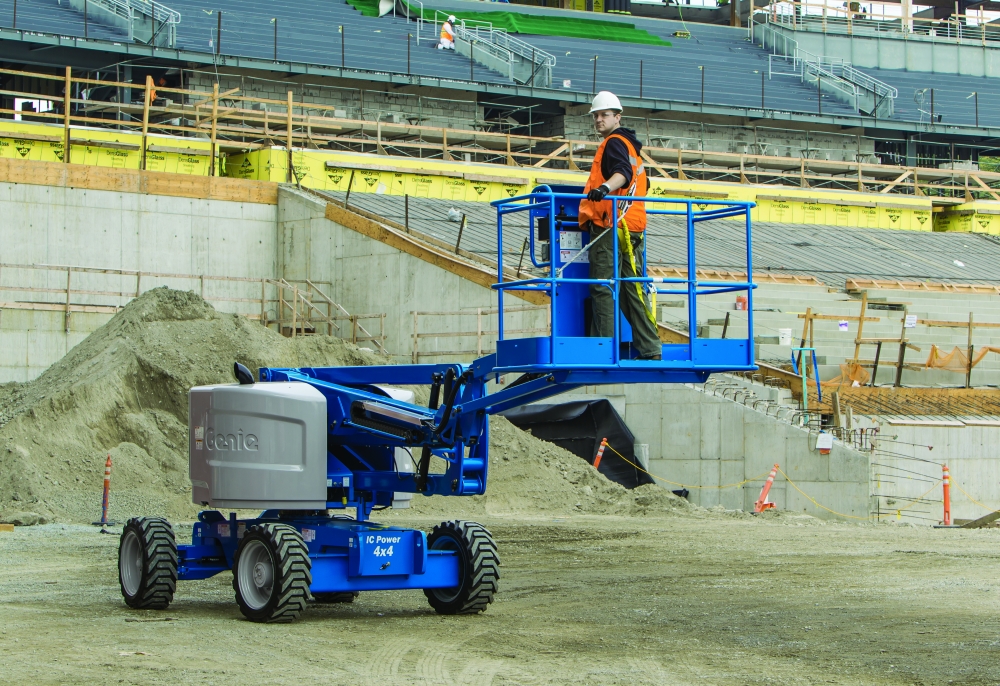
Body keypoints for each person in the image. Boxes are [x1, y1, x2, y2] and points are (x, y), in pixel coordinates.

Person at [578, 91, 661, 361]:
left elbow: (622, 174)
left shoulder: (614, 143)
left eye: (604, 115)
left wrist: (603, 188)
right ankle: (650, 348)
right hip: (633, 225)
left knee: (603, 286)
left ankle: (600, 351)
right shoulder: (631, 145)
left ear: (617, 117)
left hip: (611, 224)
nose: (599, 119)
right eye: (596, 115)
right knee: (631, 288)